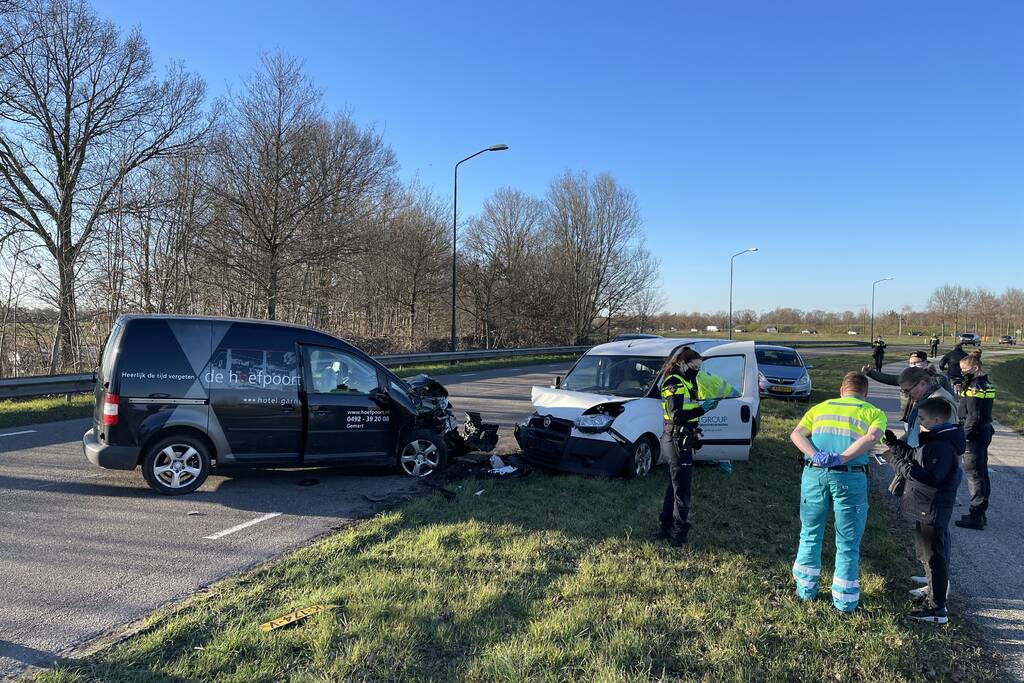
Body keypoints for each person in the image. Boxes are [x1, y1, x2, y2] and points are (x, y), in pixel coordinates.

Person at [790, 372, 886, 614]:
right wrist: (842, 458)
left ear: (842, 389)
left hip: (814, 474)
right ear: (865, 393)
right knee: (847, 540)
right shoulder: (873, 412)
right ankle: (844, 602)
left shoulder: (821, 408)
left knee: (810, 532)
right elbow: (872, 437)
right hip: (850, 476)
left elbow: (796, 434)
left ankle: (805, 590)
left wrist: (815, 455)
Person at [883, 397, 965, 624]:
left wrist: (897, 464)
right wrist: (894, 445)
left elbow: (928, 476)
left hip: (932, 508)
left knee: (934, 557)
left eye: (922, 419)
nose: (919, 423)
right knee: (925, 555)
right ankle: (932, 598)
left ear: (937, 420)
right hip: (923, 508)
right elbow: (916, 457)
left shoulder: (942, 446)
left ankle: (938, 610)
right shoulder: (934, 441)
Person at [655, 347, 730, 546]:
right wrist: (702, 409)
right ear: (681, 363)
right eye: (693, 367)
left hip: (682, 437)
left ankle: (665, 527)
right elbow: (677, 415)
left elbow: (688, 414)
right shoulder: (673, 383)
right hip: (676, 440)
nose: (696, 370)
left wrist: (695, 428)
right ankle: (678, 535)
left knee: (675, 486)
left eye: (699, 368)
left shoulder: (689, 381)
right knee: (682, 490)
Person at [955, 355, 996, 530]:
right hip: (984, 431)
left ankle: (976, 514)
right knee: (982, 472)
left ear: (975, 368)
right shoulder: (986, 383)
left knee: (974, 474)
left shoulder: (975, 386)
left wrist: (964, 436)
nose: (962, 372)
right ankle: (980, 513)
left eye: (965, 369)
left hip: (974, 435)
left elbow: (973, 415)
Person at [898, 366, 958, 448]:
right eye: (903, 391)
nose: (906, 395)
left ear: (922, 384)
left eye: (907, 391)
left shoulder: (940, 403)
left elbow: (945, 441)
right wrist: (897, 444)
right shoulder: (923, 400)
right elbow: (913, 431)